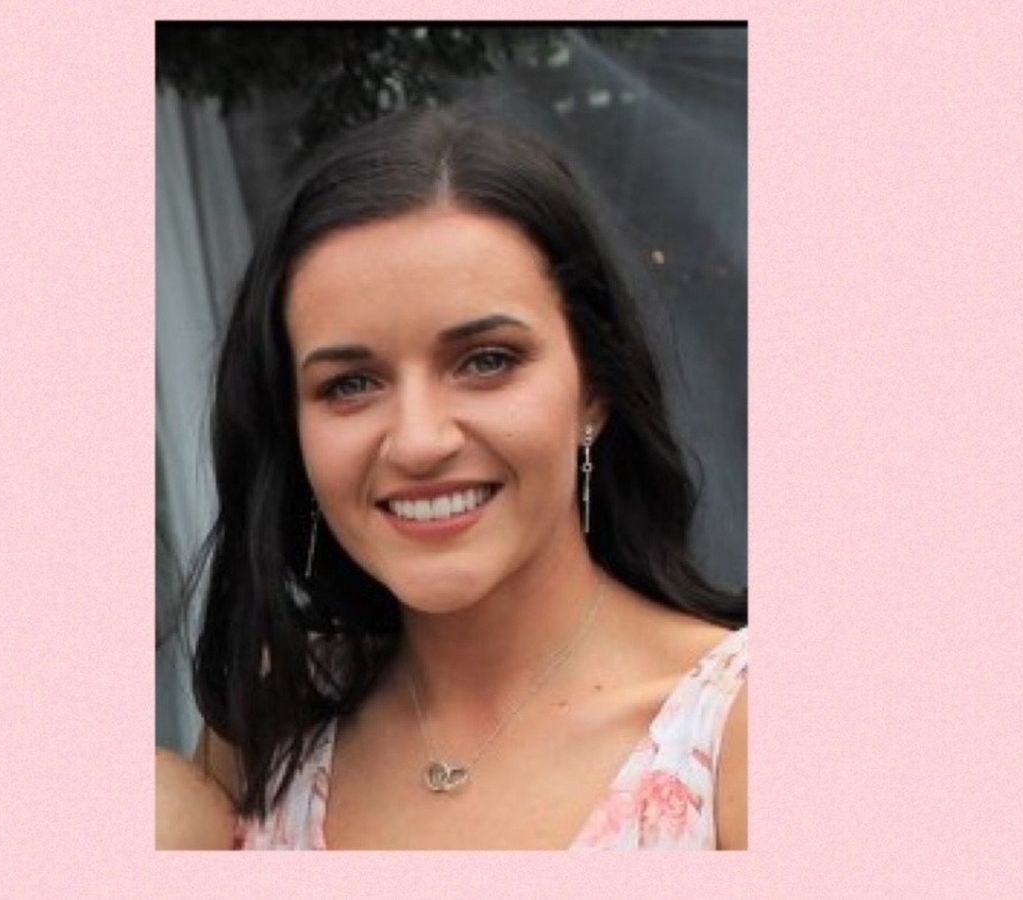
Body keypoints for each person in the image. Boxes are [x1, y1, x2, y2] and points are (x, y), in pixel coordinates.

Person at [155, 105, 747, 850]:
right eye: (350, 384)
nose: (420, 442)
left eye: (487, 361)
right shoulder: (269, 732)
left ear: (594, 388)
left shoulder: (736, 737)